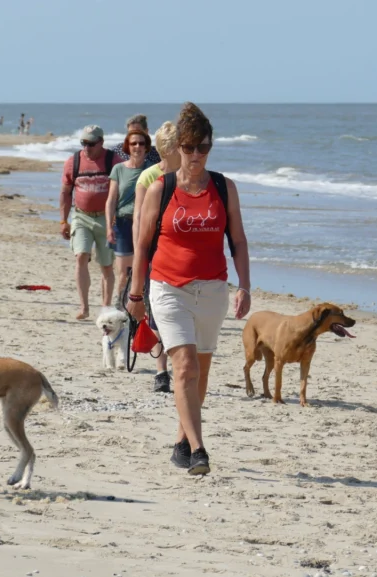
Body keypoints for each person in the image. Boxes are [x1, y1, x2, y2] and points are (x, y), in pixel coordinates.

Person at [127, 102, 252, 476]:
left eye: (203, 147)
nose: (196, 154)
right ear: (177, 147)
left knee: (201, 369)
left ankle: (182, 438)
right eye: (189, 147)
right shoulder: (159, 189)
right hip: (167, 288)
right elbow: (143, 245)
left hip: (213, 289)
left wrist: (244, 285)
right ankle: (199, 450)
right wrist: (136, 294)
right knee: (183, 367)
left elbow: (239, 242)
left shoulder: (223, 187)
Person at [132, 121, 180, 392]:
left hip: (183, 257)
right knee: (157, 315)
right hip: (156, 255)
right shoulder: (149, 178)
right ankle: (162, 371)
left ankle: (182, 366)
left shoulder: (192, 176)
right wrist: (142, 257)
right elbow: (139, 220)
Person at [59, 125, 122, 320]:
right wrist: (63, 221)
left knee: (106, 265)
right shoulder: (73, 162)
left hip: (106, 218)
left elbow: (123, 191)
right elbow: (65, 192)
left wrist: (118, 219)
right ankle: (84, 307)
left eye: (91, 144)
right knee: (81, 257)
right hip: (81, 216)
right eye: (83, 143)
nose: (87, 148)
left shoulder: (113, 161)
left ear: (101, 142)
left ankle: (105, 306)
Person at [106, 129, 154, 309]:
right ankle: (119, 308)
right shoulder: (119, 169)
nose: (138, 147)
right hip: (123, 224)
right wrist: (109, 227)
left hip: (146, 224)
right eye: (134, 143)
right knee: (124, 273)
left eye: (142, 143)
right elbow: (111, 200)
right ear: (128, 146)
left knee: (146, 270)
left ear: (147, 147)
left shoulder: (152, 169)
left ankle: (146, 309)